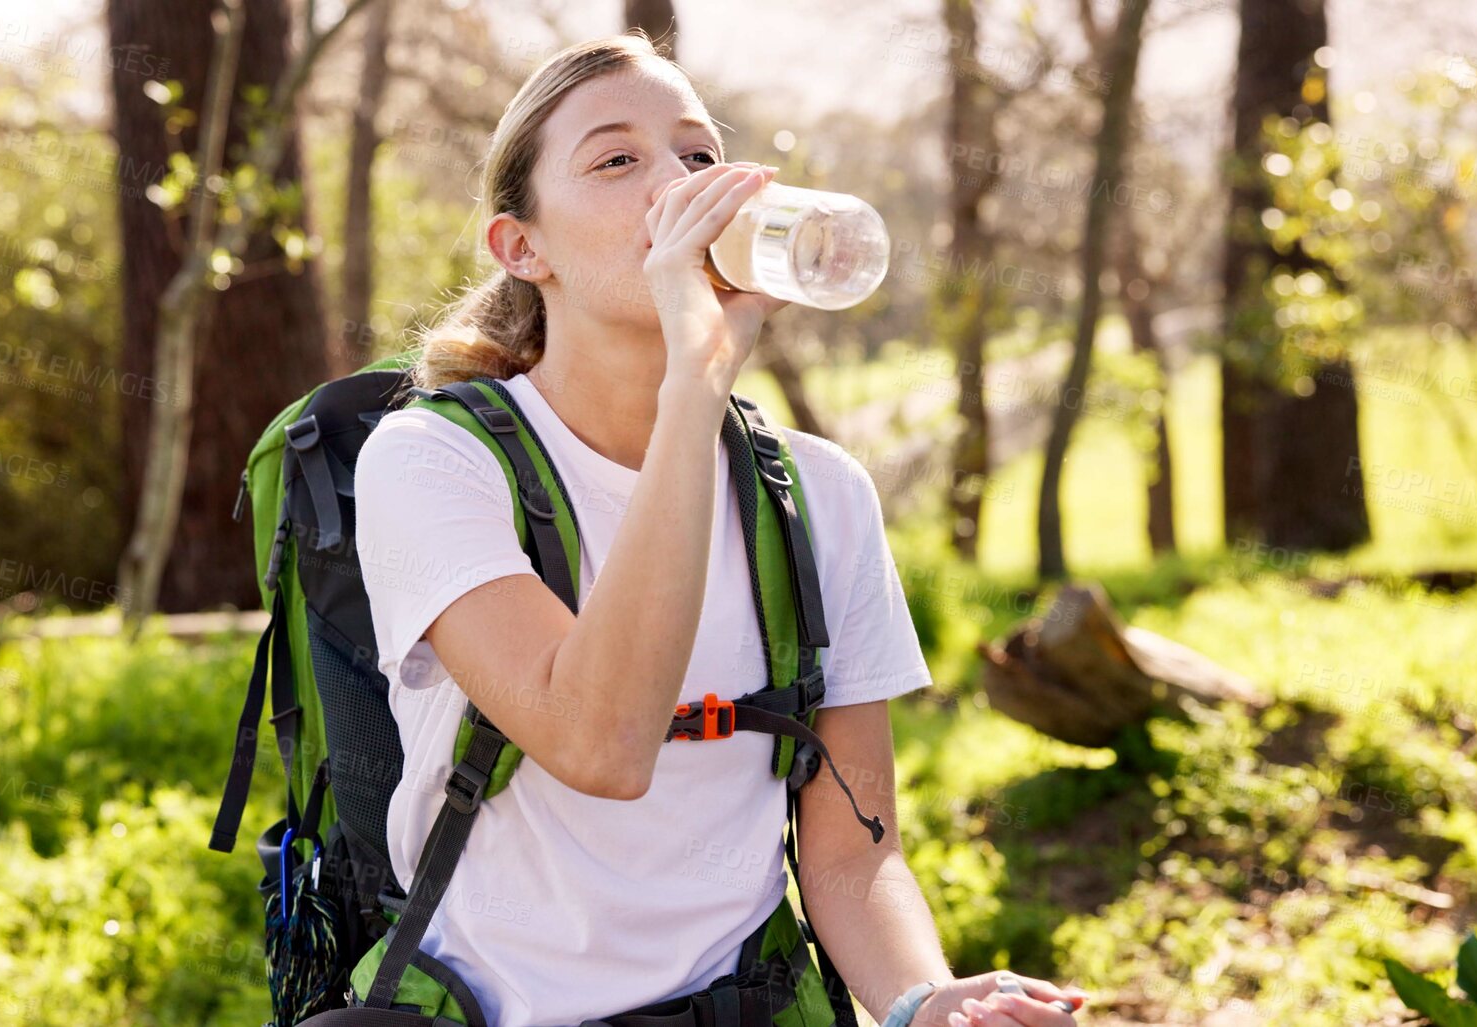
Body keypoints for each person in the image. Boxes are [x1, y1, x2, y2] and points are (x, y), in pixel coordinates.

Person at [352, 31, 1091, 1027]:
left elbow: (854, 850)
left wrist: (924, 1001)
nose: (682, 187)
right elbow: (601, 744)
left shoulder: (818, 494)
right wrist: (694, 390)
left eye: (699, 155)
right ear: (522, 247)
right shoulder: (432, 462)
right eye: (617, 159)